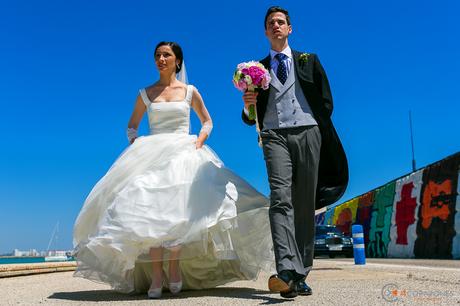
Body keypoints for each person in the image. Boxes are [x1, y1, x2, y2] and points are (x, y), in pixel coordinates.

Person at [73, 41, 274, 299]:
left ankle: (174, 267)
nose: (161, 59)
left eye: (166, 55)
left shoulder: (189, 91)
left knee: (179, 211)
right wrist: (139, 147)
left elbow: (207, 121)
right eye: (157, 55)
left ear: (177, 61)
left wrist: (199, 141)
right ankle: (157, 274)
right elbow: (132, 126)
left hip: (184, 151)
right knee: (152, 213)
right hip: (152, 153)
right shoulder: (146, 93)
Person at [241, 6, 348, 298]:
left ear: (290, 28)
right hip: (274, 134)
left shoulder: (308, 60)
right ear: (265, 31)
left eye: (280, 22)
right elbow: (251, 117)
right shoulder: (256, 71)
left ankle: (300, 275)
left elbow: (326, 101)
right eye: (270, 23)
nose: (276, 26)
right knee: (280, 197)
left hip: (308, 132)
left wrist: (315, 129)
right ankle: (286, 269)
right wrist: (248, 102)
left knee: (303, 204)